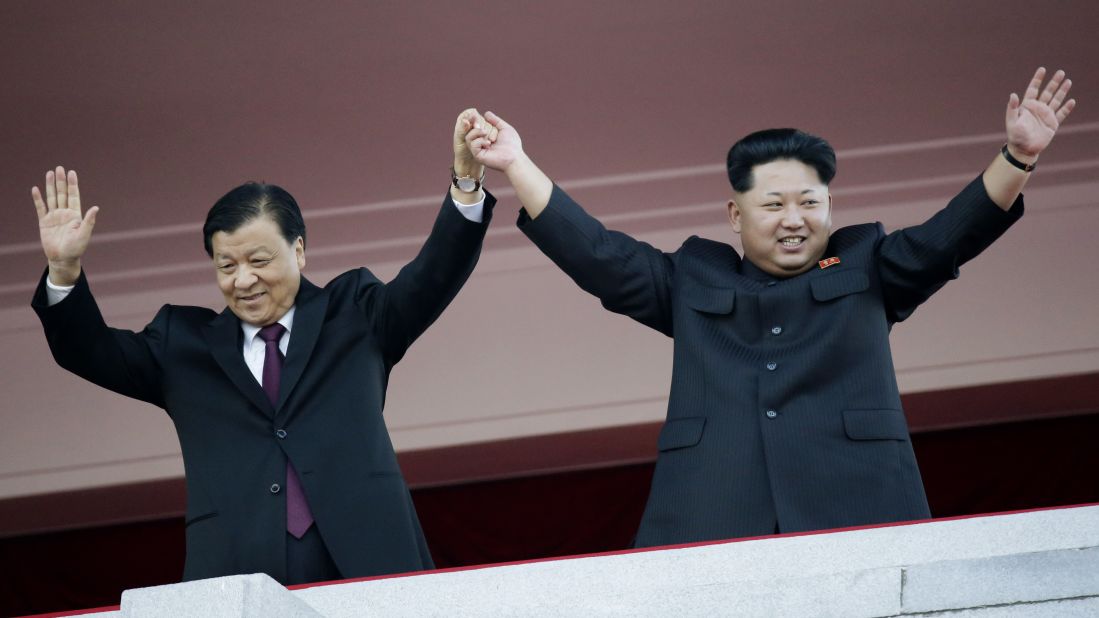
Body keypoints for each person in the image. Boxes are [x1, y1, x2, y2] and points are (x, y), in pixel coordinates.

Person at [462, 68, 1076, 546]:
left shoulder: (869, 265)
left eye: (810, 202)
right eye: (774, 204)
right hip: (712, 514)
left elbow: (951, 235)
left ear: (830, 207)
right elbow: (599, 254)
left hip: (858, 508)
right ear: (736, 215)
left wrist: (1018, 156)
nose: (794, 220)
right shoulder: (693, 279)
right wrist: (515, 163)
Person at [30, 110, 496, 585]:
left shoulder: (354, 313)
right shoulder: (181, 346)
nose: (243, 279)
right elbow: (88, 351)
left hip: (371, 563)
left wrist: (466, 184)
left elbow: (432, 276)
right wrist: (63, 271)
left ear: (298, 251)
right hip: (236, 576)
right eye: (226, 265)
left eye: (258, 260)